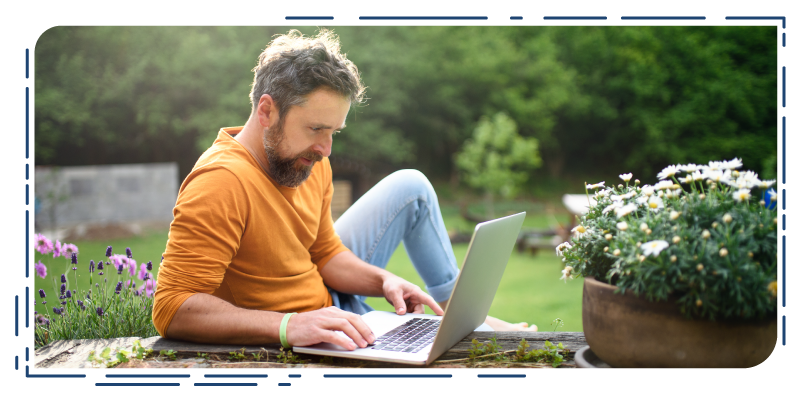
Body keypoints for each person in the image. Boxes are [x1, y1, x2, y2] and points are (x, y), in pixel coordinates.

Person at [153, 28, 536, 352]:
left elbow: (325, 252)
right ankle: (472, 329)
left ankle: (462, 317)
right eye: (316, 129)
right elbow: (171, 306)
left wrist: (382, 280)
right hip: (311, 331)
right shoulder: (221, 182)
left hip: (335, 309)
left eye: (334, 133)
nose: (326, 150)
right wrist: (288, 327)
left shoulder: (307, 161)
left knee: (412, 186)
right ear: (267, 112)